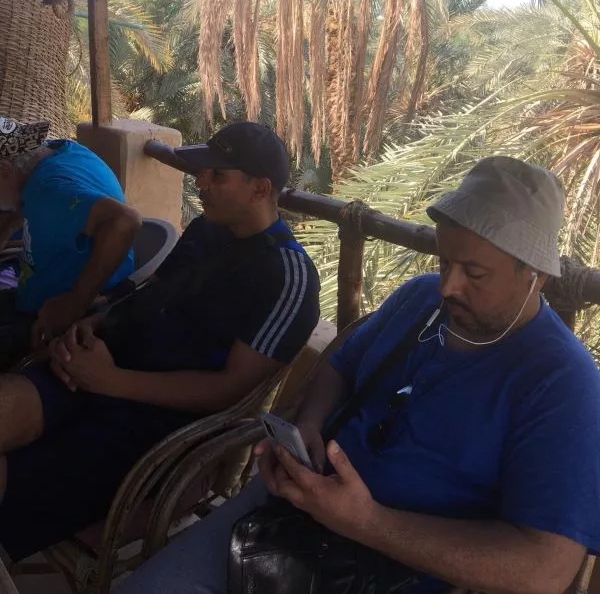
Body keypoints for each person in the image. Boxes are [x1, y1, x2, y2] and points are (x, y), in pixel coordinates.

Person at [117, 156, 600, 594]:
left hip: (391, 568)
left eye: (474, 273)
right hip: (291, 510)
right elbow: (340, 365)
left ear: (534, 275)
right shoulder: (419, 299)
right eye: (445, 261)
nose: (448, 286)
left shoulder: (562, 384)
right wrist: (308, 426)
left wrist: (366, 521)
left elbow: (544, 569)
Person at [0, 121, 320, 561]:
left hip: (151, 424)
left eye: (217, 175)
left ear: (260, 189)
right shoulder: (206, 231)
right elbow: (153, 295)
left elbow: (231, 389)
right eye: (203, 171)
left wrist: (111, 381)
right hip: (102, 371)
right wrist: (94, 323)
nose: (200, 182)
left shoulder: (286, 277)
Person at [0, 117, 140, 368]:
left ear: (5, 170)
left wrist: (74, 303)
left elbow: (125, 221)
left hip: (65, 318)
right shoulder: (54, 153)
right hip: (33, 294)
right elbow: (18, 203)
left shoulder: (50, 190)